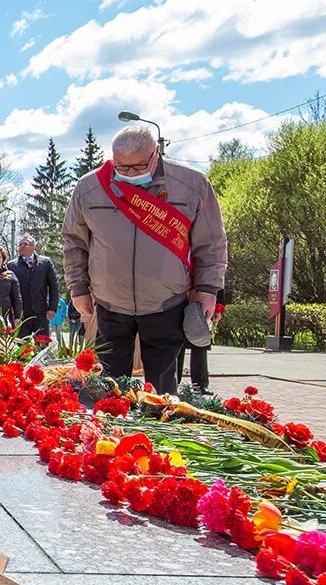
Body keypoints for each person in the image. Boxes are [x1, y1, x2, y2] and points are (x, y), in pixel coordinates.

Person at [62, 124, 227, 394]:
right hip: (110, 301)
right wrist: (78, 288)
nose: (128, 174)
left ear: (156, 153)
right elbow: (74, 242)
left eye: (138, 167)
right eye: (121, 167)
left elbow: (211, 244)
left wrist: (209, 290)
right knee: (109, 388)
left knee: (162, 389)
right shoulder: (90, 188)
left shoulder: (192, 185)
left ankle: (156, 434)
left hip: (166, 302)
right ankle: (111, 433)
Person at [6, 234, 59, 338]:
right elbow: (7, 290)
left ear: (34, 247)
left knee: (42, 348)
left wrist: (52, 308)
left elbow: (54, 286)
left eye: (25, 244)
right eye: (20, 244)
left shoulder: (45, 263)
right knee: (19, 350)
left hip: (41, 314)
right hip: (20, 316)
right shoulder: (11, 266)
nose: (21, 246)